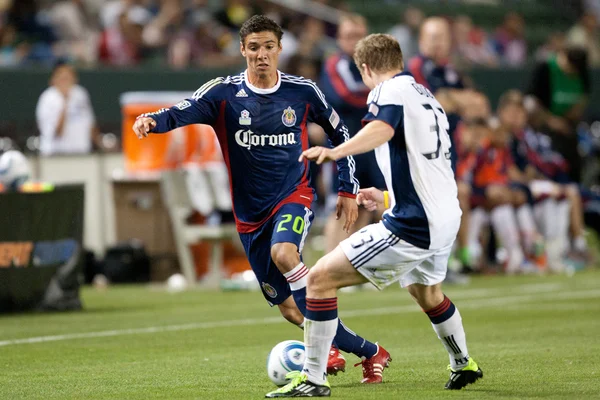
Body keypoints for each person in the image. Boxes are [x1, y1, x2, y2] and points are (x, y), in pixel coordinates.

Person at [133, 15, 389, 383]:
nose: (262, 55)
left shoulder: (303, 92)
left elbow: (341, 133)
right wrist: (152, 121)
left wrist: (347, 188)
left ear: (280, 49)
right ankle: (371, 351)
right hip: (250, 215)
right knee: (289, 308)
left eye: (269, 47)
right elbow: (181, 111)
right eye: (254, 47)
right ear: (242, 50)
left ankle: (323, 352)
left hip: (294, 195)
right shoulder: (223, 94)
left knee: (284, 254)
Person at [266, 33, 482, 398]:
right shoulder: (426, 96)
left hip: (414, 224)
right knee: (426, 292)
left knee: (318, 280)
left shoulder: (387, 92)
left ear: (365, 68)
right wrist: (384, 196)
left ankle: (313, 380)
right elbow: (427, 167)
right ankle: (463, 364)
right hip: (445, 216)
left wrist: (337, 152)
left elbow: (381, 129)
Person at [408, 16, 473, 278]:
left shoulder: (450, 70)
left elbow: (476, 102)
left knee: (451, 202)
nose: (437, 43)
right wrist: (456, 99)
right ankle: (432, 266)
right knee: (433, 205)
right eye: (432, 37)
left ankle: (454, 260)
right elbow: (434, 101)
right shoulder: (416, 66)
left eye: (442, 37)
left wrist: (455, 99)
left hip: (447, 148)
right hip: (424, 149)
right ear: (421, 40)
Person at [319, 14, 387, 253]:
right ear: (339, 39)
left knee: (372, 207)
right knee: (341, 207)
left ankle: (356, 264)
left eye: (359, 36)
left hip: (375, 147)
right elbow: (344, 95)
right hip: (346, 147)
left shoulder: (379, 66)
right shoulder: (334, 65)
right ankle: (326, 270)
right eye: (349, 36)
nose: (355, 42)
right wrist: (380, 94)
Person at [35, 61, 101, 156]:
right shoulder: (47, 98)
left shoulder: (80, 93)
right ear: (53, 80)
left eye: (69, 77)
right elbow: (57, 132)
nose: (66, 81)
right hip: (55, 154)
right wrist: (65, 102)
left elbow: (90, 123)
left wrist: (100, 144)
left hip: (81, 152)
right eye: (62, 78)